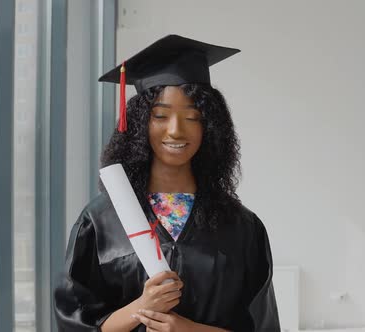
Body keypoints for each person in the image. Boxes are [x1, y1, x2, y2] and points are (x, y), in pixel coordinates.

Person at [54, 34, 280, 332]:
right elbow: (75, 324)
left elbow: (262, 327)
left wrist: (189, 330)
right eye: (160, 115)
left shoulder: (241, 226)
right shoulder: (101, 220)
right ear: (138, 124)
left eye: (192, 117)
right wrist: (141, 308)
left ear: (210, 128)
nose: (175, 130)